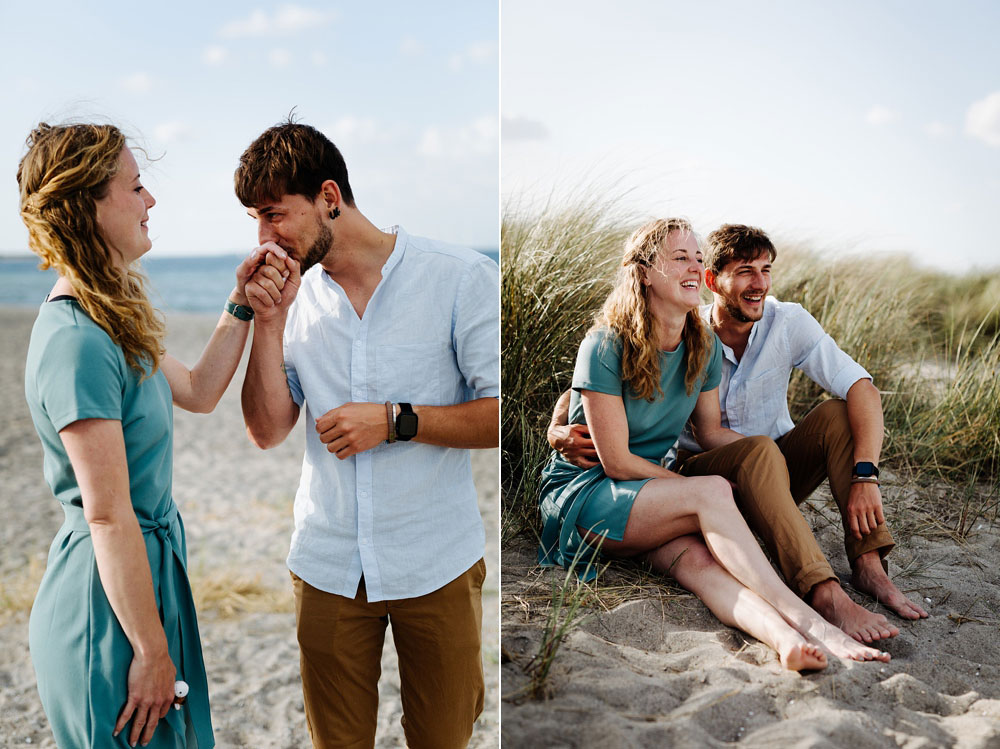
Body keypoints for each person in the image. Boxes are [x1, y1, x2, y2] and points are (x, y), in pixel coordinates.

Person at [234, 120, 499, 748]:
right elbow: (268, 430)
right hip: (325, 563)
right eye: (255, 220)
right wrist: (266, 324)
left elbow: (498, 415)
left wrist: (393, 420)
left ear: (329, 197)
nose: (264, 238)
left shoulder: (459, 278)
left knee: (442, 738)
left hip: (434, 559)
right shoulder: (291, 297)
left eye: (274, 215)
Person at [18, 122, 274, 748]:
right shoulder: (76, 341)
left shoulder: (112, 318)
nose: (150, 201)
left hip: (145, 581)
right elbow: (106, 517)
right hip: (109, 607)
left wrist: (241, 301)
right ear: (87, 206)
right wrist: (151, 649)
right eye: (135, 187)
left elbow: (199, 390)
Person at [539, 217, 889, 671]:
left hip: (652, 501)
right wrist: (704, 494)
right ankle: (814, 618)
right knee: (711, 491)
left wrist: (762, 476)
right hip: (591, 491)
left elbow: (711, 431)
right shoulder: (605, 343)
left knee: (703, 569)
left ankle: (784, 640)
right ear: (645, 271)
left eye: (697, 257)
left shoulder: (701, 346)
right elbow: (615, 456)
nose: (692, 266)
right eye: (680, 257)